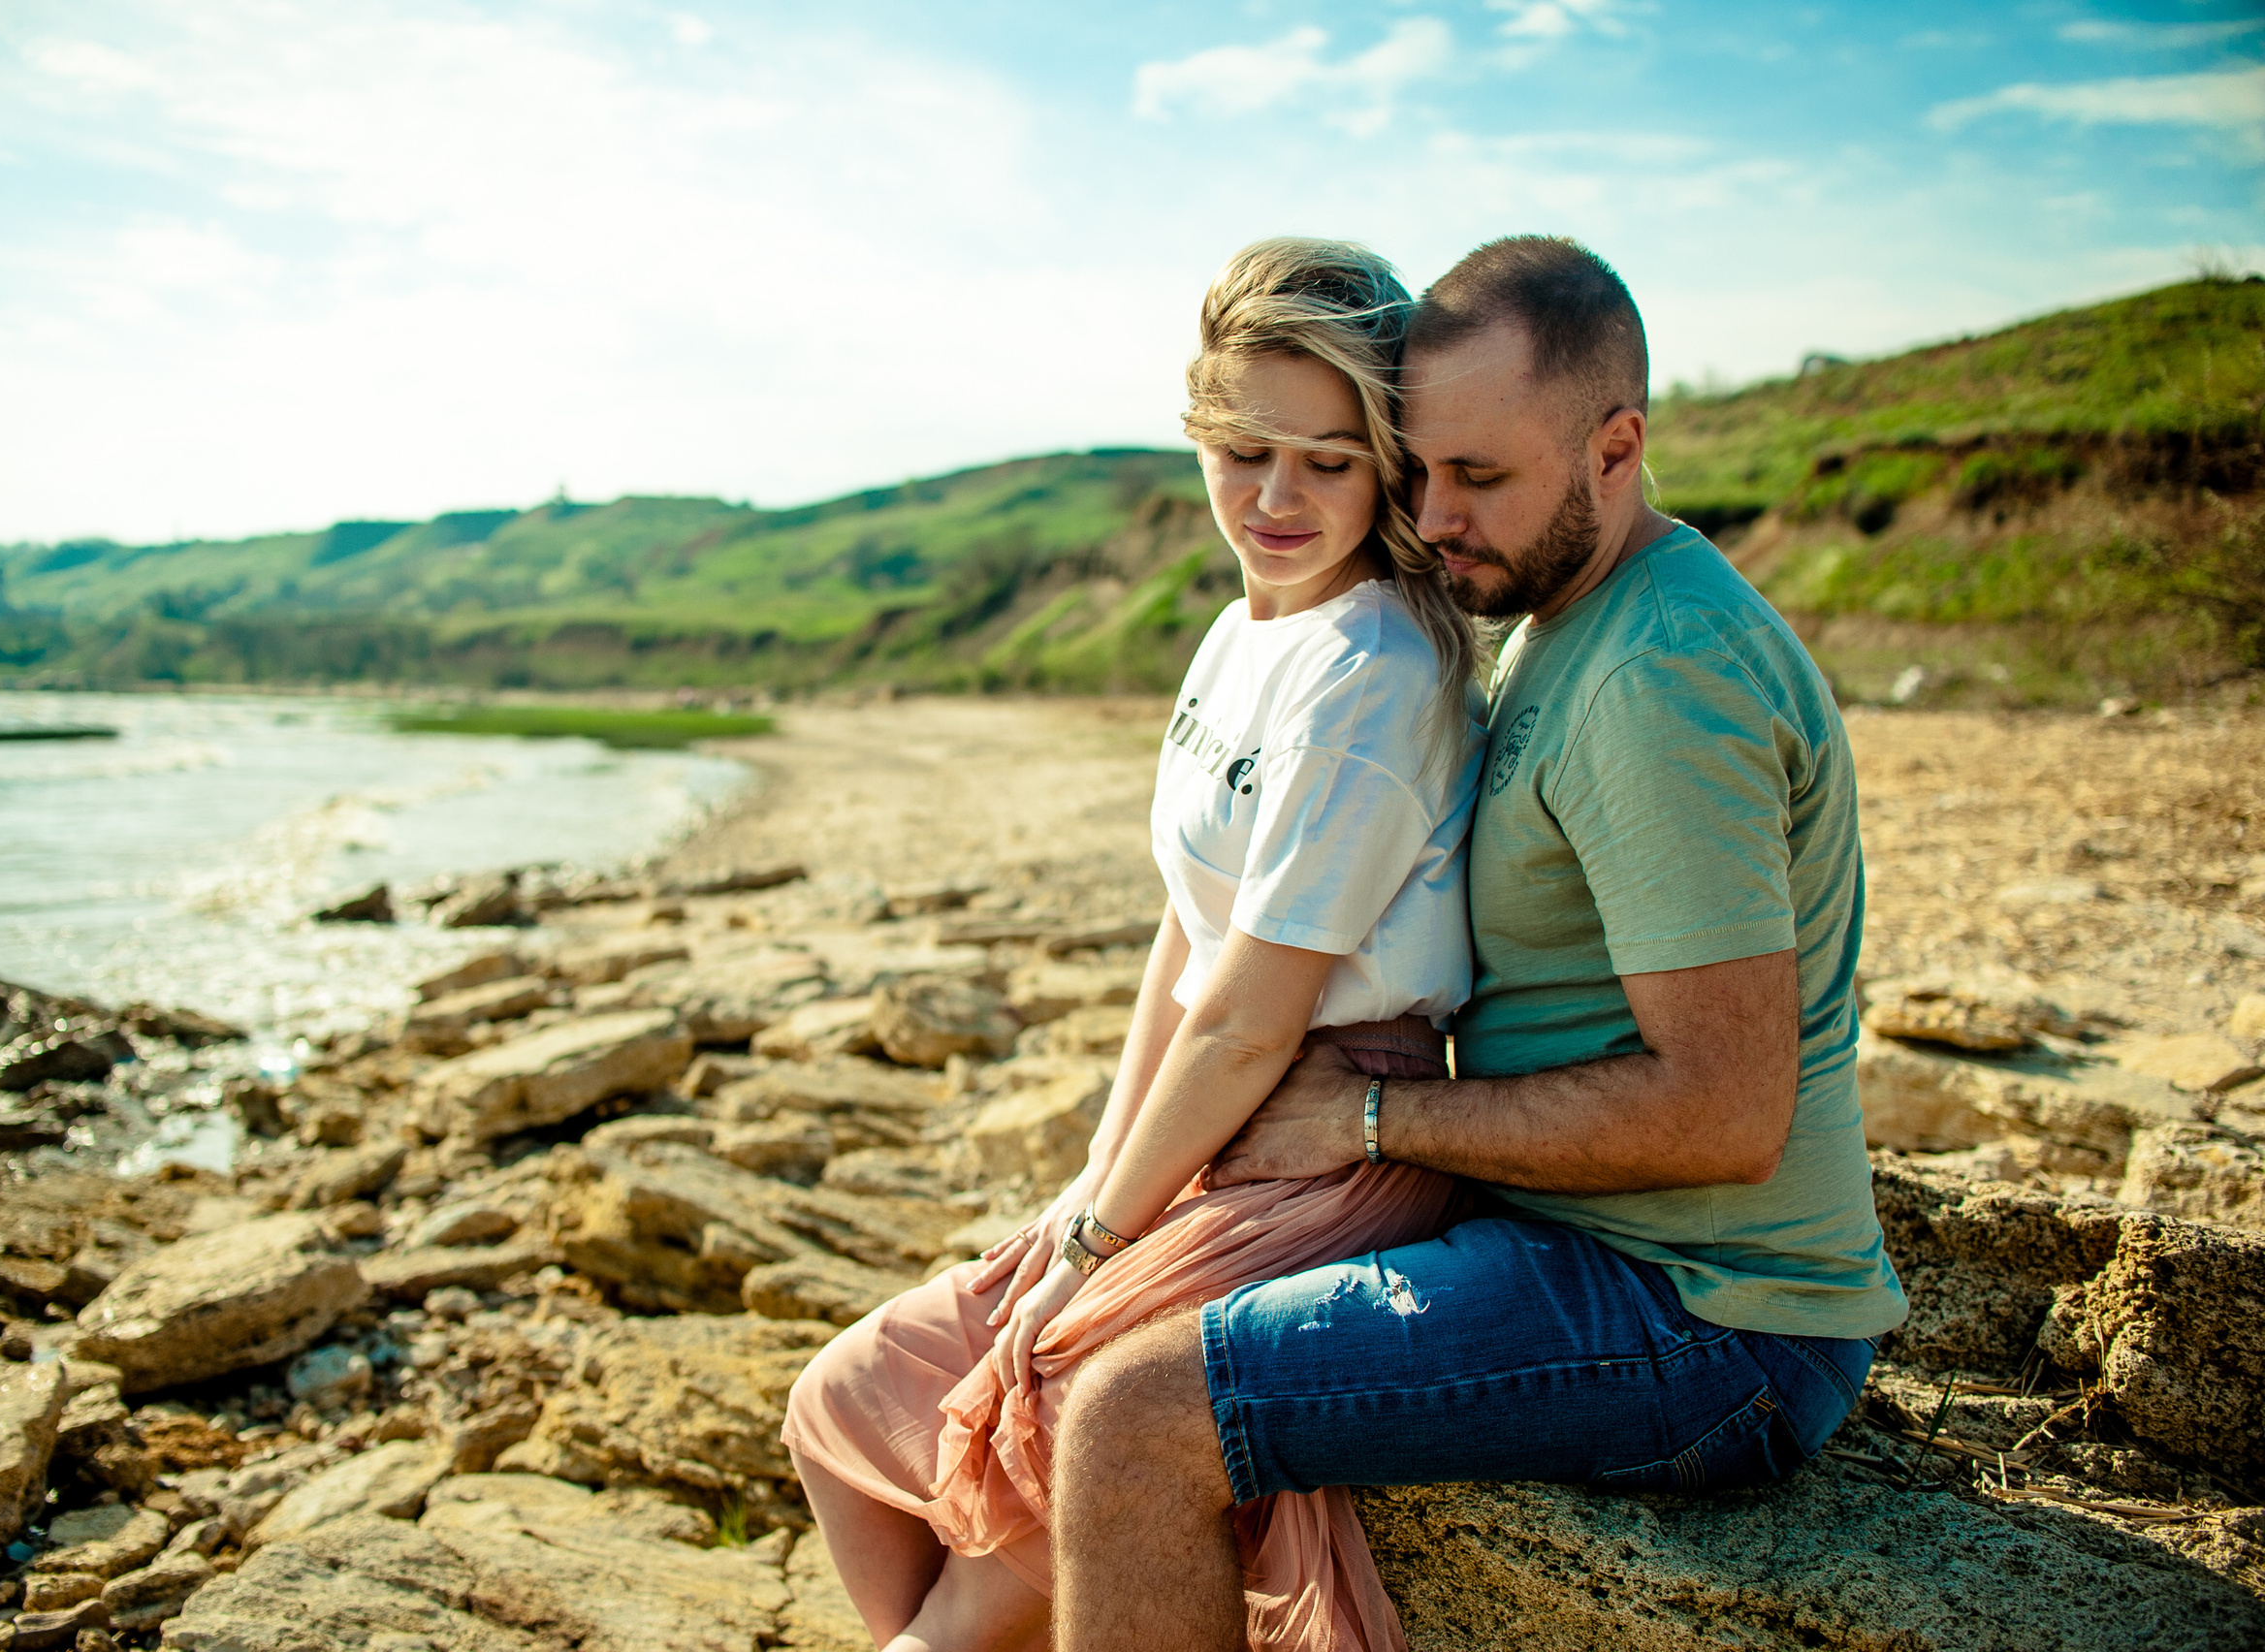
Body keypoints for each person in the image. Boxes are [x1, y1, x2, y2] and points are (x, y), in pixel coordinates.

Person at [1041, 236, 1910, 1652]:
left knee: (1133, 1415)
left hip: (1711, 1321)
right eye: (1422, 468)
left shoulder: (1655, 678)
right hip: (1585, 1243)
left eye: (1481, 478)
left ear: (1615, 447)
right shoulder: (1561, 617)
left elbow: (1727, 1109)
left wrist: (1378, 1118)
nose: (1433, 518)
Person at [782, 238, 1489, 1652]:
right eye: (1243, 449)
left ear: (1389, 466)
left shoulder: (1376, 675)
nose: (1277, 499)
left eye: (1330, 462)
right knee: (837, 1408)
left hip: (1317, 1141)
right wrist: (1095, 1190)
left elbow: (1246, 1019)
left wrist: (1099, 1242)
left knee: (1033, 1437)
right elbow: (1188, 933)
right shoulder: (1241, 634)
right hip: (1203, 1121)